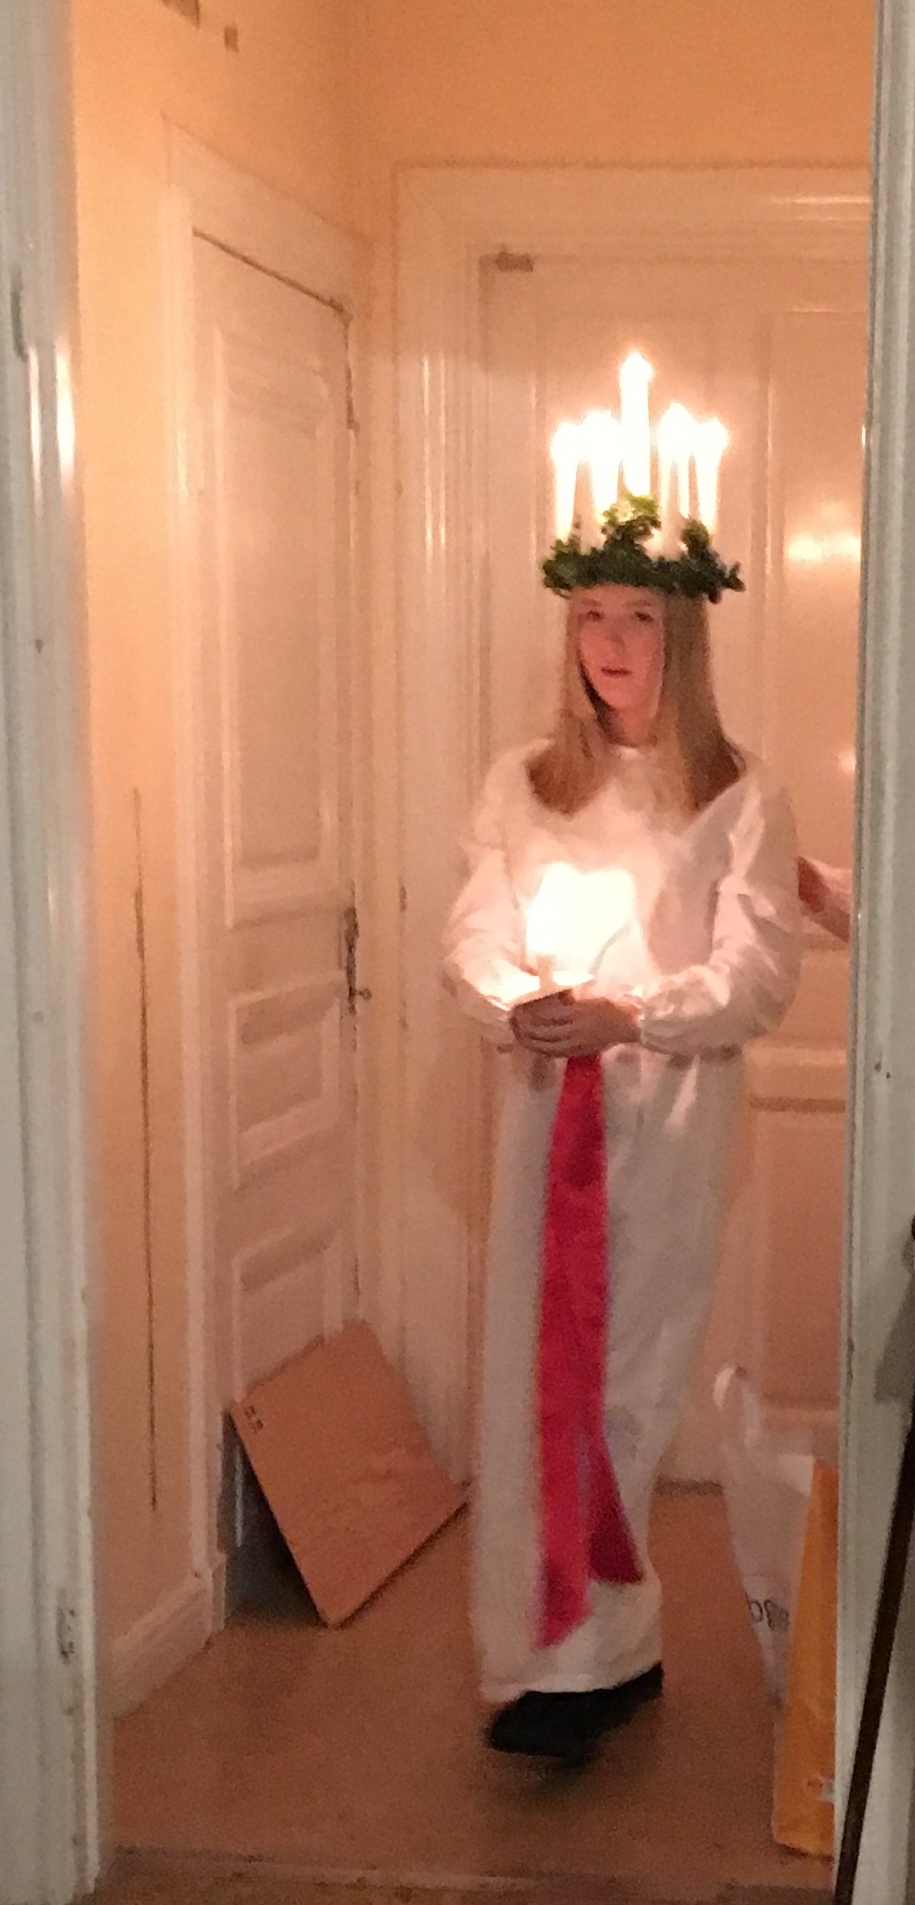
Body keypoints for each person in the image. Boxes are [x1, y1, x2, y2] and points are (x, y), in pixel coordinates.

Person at [443, 497, 803, 1767]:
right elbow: (475, 932)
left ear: (681, 634)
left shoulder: (739, 794)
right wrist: (519, 1003)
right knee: (531, 1382)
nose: (608, 643)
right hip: (547, 1117)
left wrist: (632, 1014)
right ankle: (559, 1663)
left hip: (668, 1124)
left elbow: (759, 974)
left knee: (626, 1385)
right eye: (589, 617)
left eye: (637, 618)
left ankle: (603, 1648)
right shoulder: (524, 783)